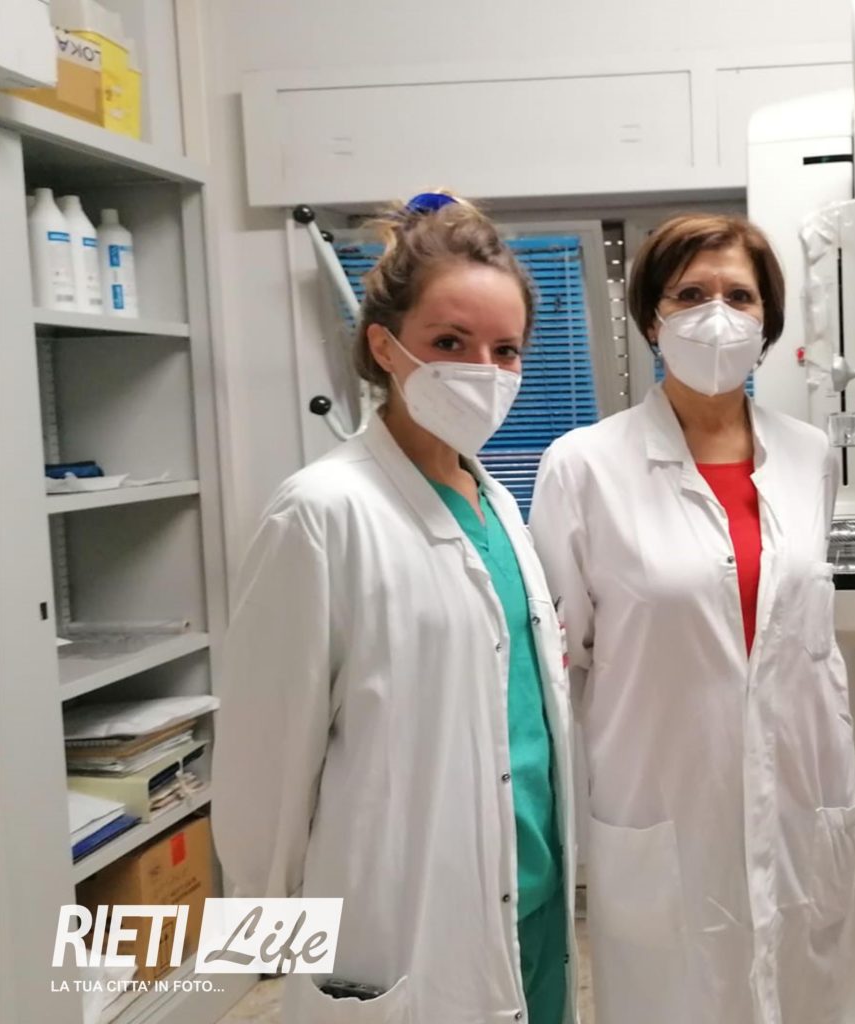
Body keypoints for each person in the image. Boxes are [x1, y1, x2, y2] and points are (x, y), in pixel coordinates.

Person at [214, 192, 578, 1024]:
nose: (483, 370)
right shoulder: (321, 512)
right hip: (401, 922)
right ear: (384, 345)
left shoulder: (497, 504)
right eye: (450, 342)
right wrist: (267, 934)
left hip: (532, 897)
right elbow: (265, 761)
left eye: (505, 350)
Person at [530, 213, 855, 1023]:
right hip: (661, 808)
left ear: (766, 322)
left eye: (738, 296)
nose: (717, 315)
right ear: (653, 318)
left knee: (797, 994)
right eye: (690, 294)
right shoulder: (583, 466)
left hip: (800, 804)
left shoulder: (810, 456)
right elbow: (559, 668)